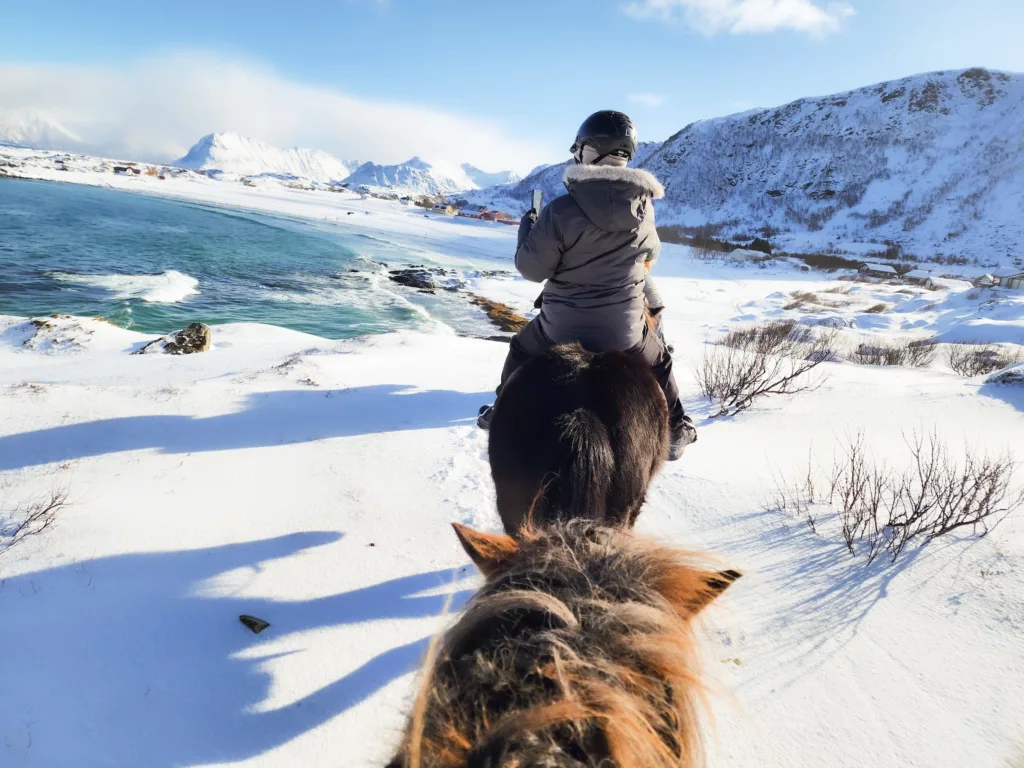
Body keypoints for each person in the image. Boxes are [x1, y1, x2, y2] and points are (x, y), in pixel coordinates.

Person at [478, 110, 696, 460]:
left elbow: (532, 269)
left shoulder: (561, 210)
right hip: (624, 332)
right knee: (661, 360)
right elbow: (651, 251)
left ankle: (500, 413)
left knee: (520, 347)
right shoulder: (644, 209)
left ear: (588, 151)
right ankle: (676, 428)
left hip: (559, 329)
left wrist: (527, 232)